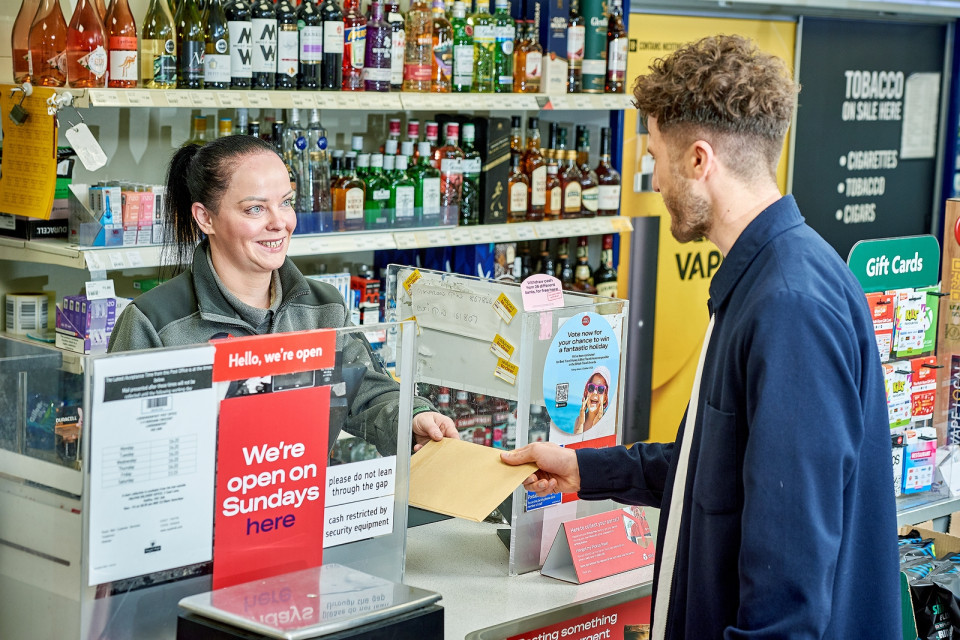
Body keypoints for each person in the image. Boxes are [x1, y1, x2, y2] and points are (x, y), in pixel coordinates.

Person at [503, 35, 900, 638]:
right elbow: (713, 470)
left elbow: (788, 585)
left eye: (657, 155)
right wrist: (585, 469)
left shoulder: (789, 304)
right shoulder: (765, 277)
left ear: (698, 160)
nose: (655, 179)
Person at [108, 134, 457, 455]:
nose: (280, 223)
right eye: (255, 209)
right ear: (205, 218)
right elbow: (122, 447)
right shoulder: (154, 323)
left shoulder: (322, 308)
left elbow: (366, 392)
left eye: (286, 202)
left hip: (292, 508)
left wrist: (413, 418)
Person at [573, 367, 609, 434]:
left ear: (605, 398)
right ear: (586, 392)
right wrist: (581, 424)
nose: (595, 392)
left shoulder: (608, 424)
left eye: (600, 389)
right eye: (591, 387)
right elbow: (576, 443)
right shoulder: (578, 421)